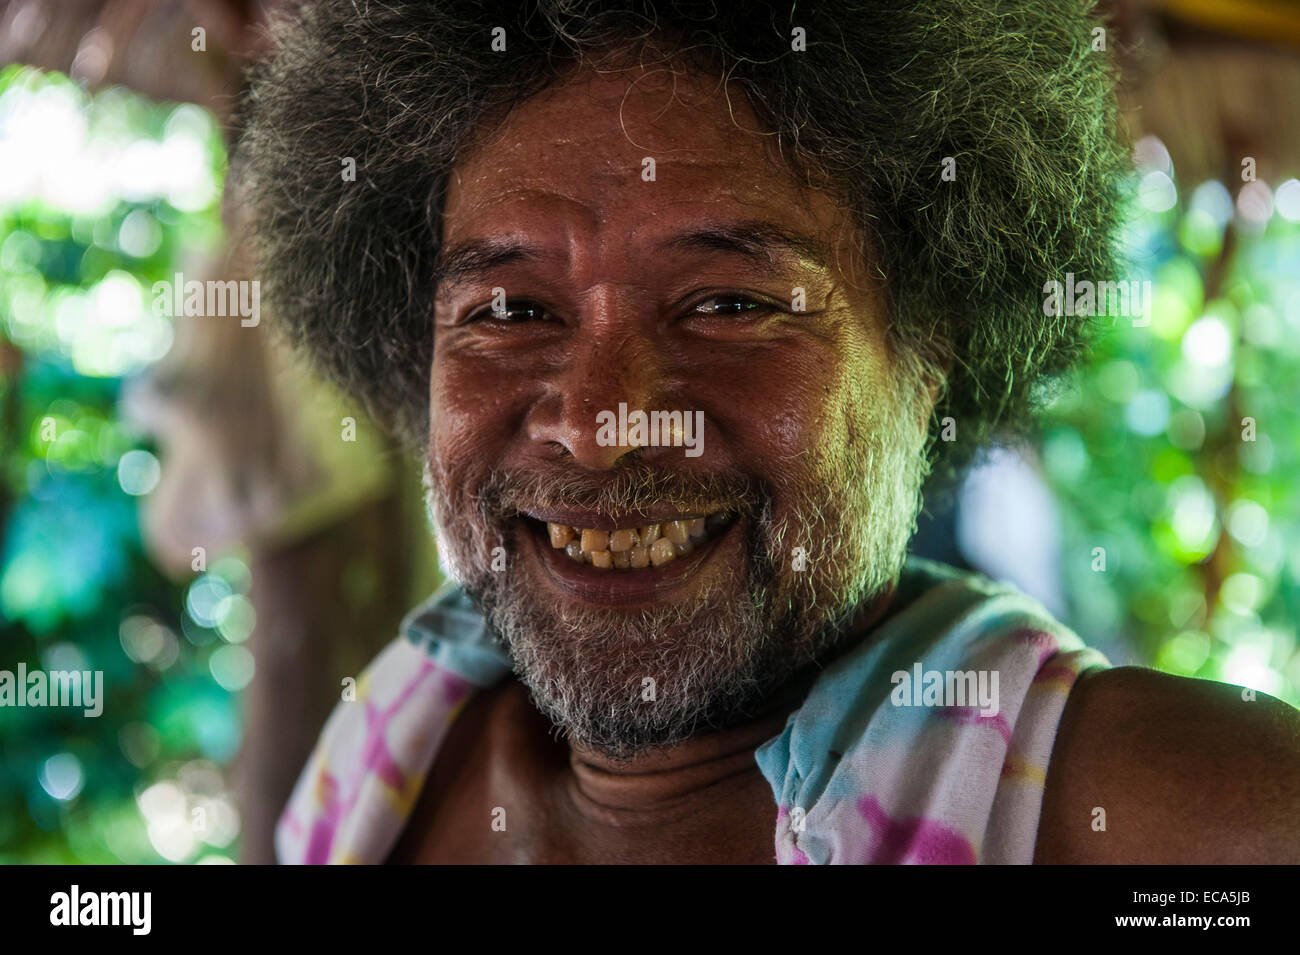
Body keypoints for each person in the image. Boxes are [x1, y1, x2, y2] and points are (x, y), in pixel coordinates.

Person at [238, 0, 1300, 864]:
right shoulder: (398, 728)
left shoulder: (1157, 808)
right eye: (509, 313)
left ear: (930, 352)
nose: (602, 428)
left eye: (730, 305)